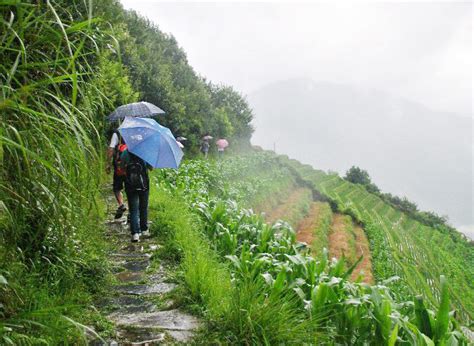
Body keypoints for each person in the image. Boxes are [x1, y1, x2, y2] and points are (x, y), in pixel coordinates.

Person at [120, 149, 152, 242]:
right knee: (143, 207)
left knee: (133, 209)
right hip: (144, 185)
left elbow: (121, 169)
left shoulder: (126, 153)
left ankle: (135, 234)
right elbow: (151, 168)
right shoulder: (146, 152)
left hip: (130, 185)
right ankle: (144, 230)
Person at [106, 129, 127, 219]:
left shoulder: (117, 133)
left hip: (119, 167)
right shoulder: (136, 131)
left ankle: (121, 204)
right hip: (131, 167)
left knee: (117, 188)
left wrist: (108, 163)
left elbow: (111, 149)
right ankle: (131, 211)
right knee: (130, 189)